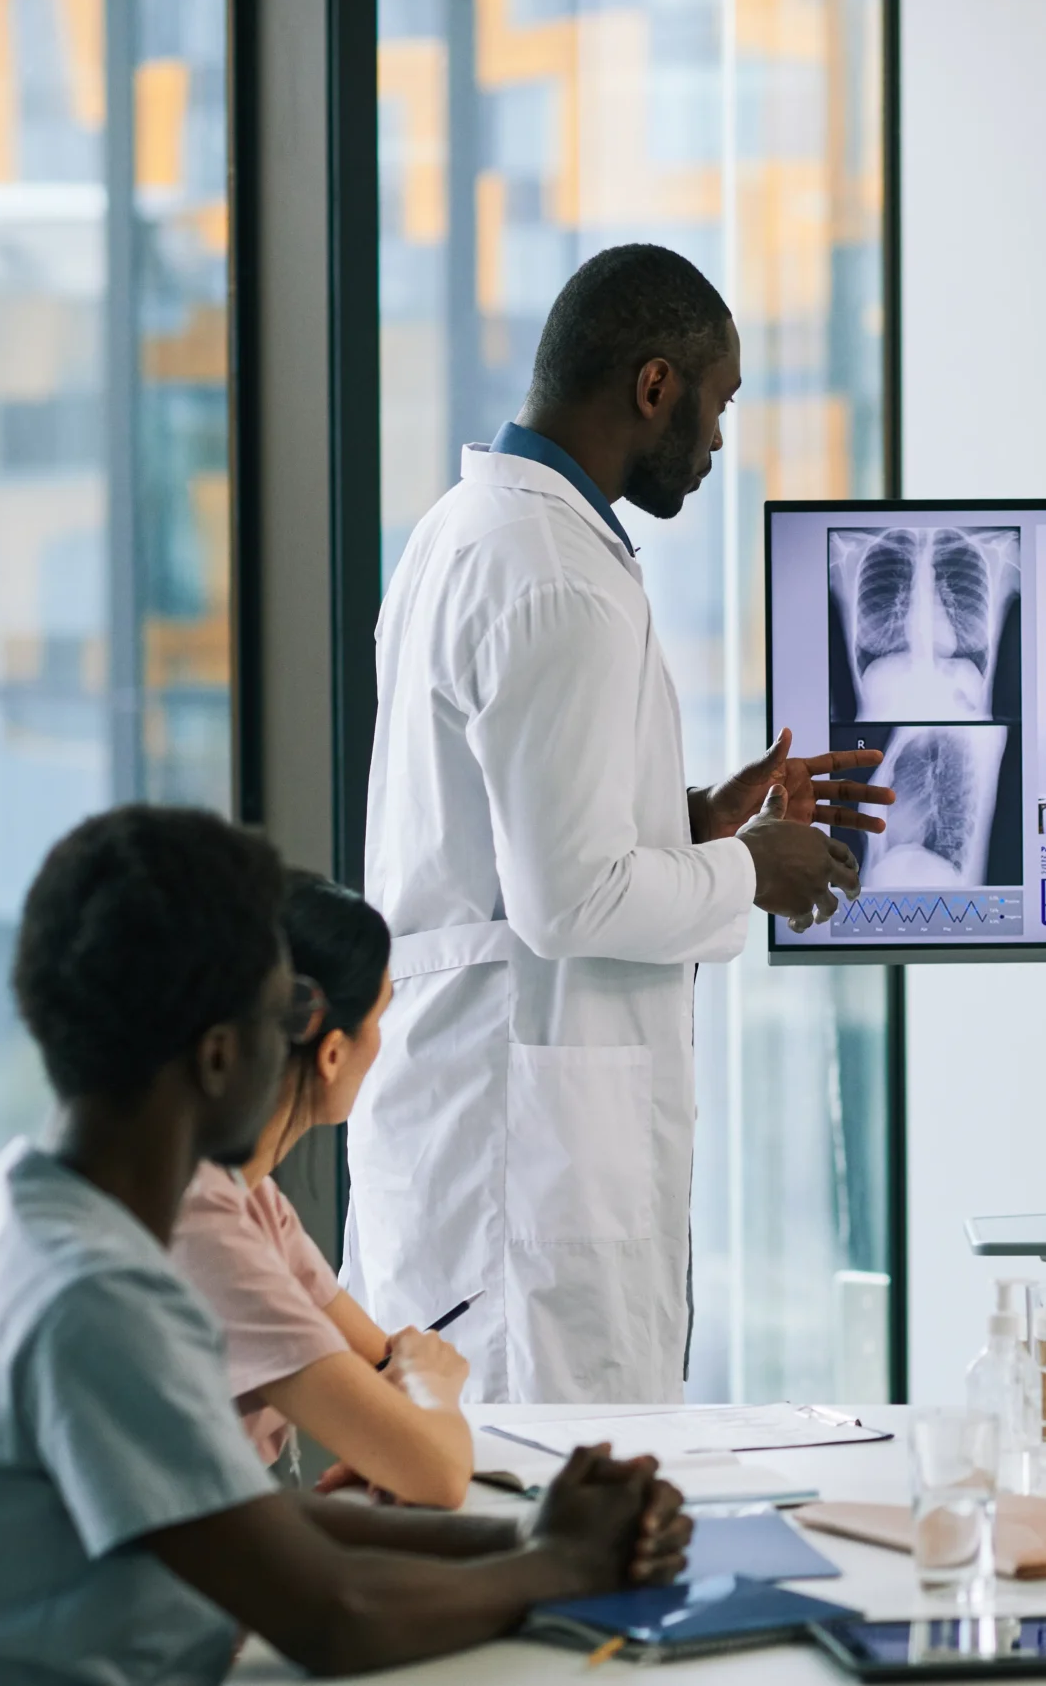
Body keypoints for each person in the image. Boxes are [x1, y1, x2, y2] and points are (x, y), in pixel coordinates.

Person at [0, 806, 689, 1684]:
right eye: (288, 1009)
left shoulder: (22, 1209)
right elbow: (332, 1616)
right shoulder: (97, 1296)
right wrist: (565, 1564)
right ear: (224, 1056)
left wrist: (528, 1537)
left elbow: (247, 1525)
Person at [349, 243, 891, 1404]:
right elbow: (568, 900)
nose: (714, 446)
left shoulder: (465, 531)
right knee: (541, 1522)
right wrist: (751, 871)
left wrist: (689, 820)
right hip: (523, 1170)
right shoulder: (561, 579)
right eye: (716, 407)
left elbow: (500, 844)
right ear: (655, 386)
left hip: (475, 1124)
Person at [172, 872, 479, 1508]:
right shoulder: (201, 1223)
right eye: (380, 1017)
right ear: (333, 1052)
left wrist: (401, 1415)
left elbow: (378, 1360)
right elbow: (439, 1471)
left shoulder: (248, 1199)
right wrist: (430, 1391)